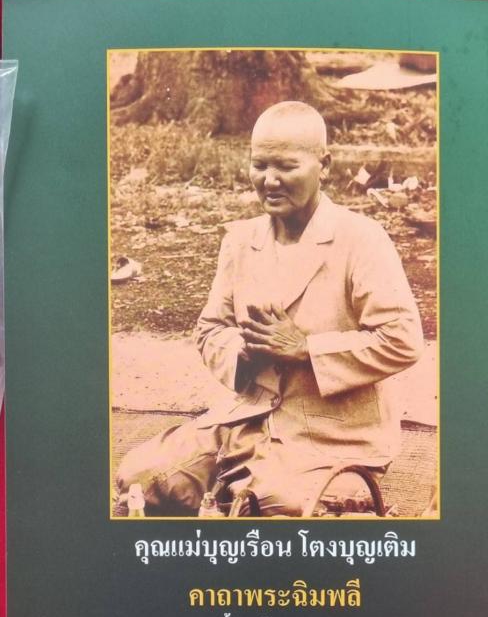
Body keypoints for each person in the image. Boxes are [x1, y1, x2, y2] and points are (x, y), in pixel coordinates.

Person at [116, 101, 424, 516]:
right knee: (139, 477)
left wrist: (306, 349)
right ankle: (236, 485)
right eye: (259, 165)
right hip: (245, 420)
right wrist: (242, 351)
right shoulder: (241, 241)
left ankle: (268, 493)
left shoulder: (362, 240)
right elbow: (210, 328)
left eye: (286, 166)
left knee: (276, 504)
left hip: (332, 434)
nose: (270, 180)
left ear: (324, 165)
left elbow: (402, 339)